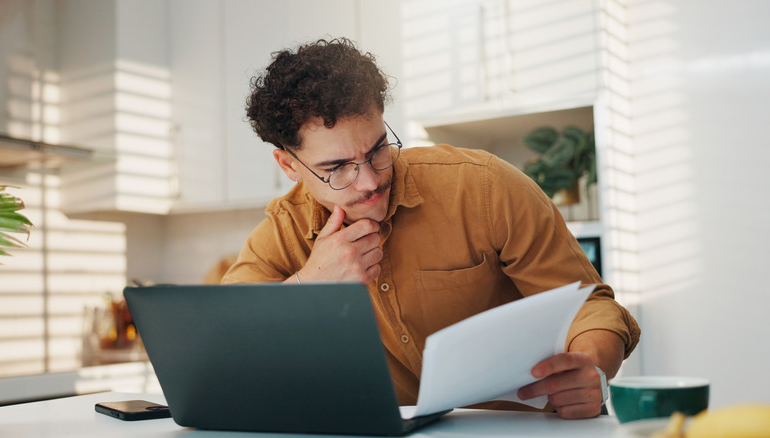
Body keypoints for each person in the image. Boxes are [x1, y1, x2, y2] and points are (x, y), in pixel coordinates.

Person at [222, 37, 640, 419]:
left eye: (377, 150)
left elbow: (592, 306)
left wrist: (594, 371)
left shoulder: (484, 187)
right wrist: (309, 286)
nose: (369, 181)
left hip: (520, 427)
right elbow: (221, 347)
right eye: (336, 168)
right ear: (290, 166)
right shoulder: (284, 228)